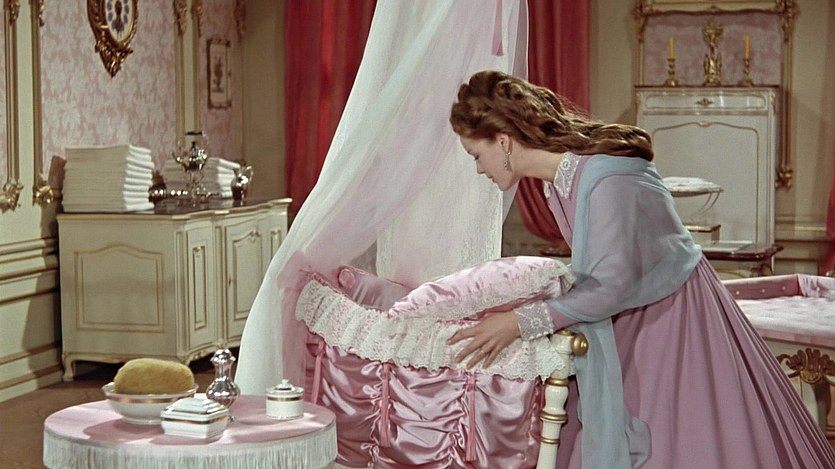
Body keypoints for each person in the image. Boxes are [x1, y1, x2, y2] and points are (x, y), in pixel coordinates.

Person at [447, 70, 835, 469]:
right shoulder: (557, 183)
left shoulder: (605, 178)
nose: (478, 169)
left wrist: (519, 322)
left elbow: (612, 286)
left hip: (674, 320)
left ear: (503, 141)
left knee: (682, 441)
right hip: (632, 314)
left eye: (476, 155)